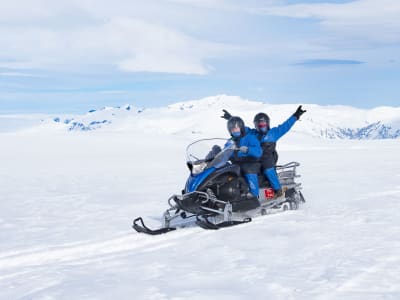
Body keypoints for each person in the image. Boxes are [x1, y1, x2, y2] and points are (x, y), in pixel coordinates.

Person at [221, 106, 306, 197]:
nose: (262, 127)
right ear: (256, 126)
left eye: (263, 125)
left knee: (268, 170)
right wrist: (231, 119)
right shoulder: (253, 133)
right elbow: (240, 128)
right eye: (259, 125)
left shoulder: (273, 133)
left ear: (267, 124)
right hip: (253, 158)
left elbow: (285, 126)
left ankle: (278, 190)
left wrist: (295, 116)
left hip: (267, 157)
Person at [225, 116, 262, 197]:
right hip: (237, 163)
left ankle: (254, 196)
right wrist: (216, 152)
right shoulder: (230, 141)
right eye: (233, 129)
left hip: (251, 162)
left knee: (248, 170)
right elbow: (224, 152)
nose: (235, 130)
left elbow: (258, 151)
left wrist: (248, 150)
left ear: (241, 127)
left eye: (237, 128)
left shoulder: (250, 137)